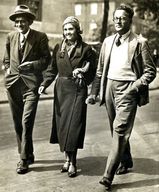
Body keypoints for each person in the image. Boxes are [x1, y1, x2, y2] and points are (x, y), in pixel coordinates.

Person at [86, 3, 156, 190]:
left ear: (129, 20)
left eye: (122, 18)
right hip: (109, 87)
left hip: (128, 89)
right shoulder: (108, 42)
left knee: (119, 131)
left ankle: (107, 176)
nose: (117, 20)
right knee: (115, 129)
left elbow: (150, 72)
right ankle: (126, 161)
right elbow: (100, 70)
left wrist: (134, 87)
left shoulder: (140, 43)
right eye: (116, 17)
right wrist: (94, 93)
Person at [38, 16, 96, 177]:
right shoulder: (59, 47)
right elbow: (52, 69)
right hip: (61, 90)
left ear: (78, 30)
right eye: (65, 29)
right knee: (63, 126)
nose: (68, 32)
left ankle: (73, 162)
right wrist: (44, 84)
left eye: (71, 29)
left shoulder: (86, 49)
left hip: (77, 90)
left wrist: (83, 76)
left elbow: (93, 72)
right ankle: (66, 160)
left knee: (74, 127)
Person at [3, 5, 51, 174]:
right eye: (17, 21)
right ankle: (27, 153)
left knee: (27, 121)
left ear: (30, 21)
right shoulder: (10, 37)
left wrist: (32, 65)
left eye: (23, 21)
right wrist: (7, 68)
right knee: (18, 123)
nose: (20, 24)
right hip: (13, 85)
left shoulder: (40, 37)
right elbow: (6, 59)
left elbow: (46, 60)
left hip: (31, 85)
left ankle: (23, 160)